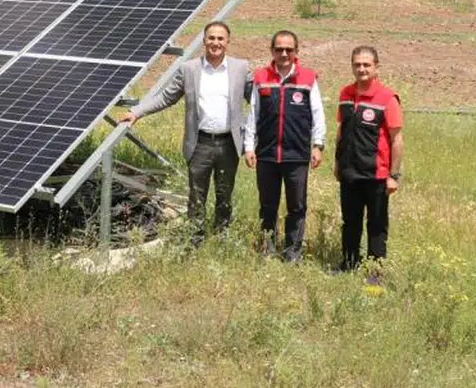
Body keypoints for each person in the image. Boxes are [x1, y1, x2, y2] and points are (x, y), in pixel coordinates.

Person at [118, 21, 251, 245]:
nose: (215, 43)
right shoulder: (189, 69)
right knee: (196, 196)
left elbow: (258, 99)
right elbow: (166, 97)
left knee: (224, 194)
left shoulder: (241, 68)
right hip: (200, 143)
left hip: (229, 143)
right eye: (211, 38)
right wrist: (136, 112)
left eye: (220, 38)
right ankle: (195, 241)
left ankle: (222, 239)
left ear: (228, 41)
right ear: (204, 40)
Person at [243, 30, 325, 262]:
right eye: (279, 49)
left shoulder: (308, 78)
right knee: (267, 205)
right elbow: (253, 114)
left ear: (296, 52)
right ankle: (268, 250)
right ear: (272, 51)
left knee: (296, 207)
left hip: (297, 155)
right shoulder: (261, 77)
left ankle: (292, 253)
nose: (284, 53)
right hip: (267, 154)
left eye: (289, 49)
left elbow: (317, 114)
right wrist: (249, 146)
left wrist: (318, 145)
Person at [333, 45, 404, 273]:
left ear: (376, 68)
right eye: (357, 64)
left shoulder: (387, 98)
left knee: (377, 225)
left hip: (376, 175)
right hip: (349, 172)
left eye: (366, 65)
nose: (361, 69)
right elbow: (341, 131)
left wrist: (393, 176)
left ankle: (374, 273)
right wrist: (337, 163)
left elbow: (397, 139)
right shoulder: (345, 94)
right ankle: (349, 264)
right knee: (350, 222)